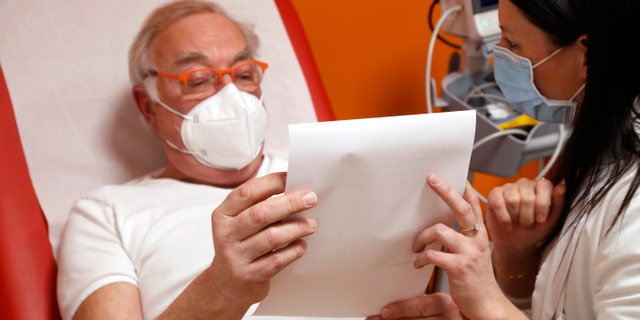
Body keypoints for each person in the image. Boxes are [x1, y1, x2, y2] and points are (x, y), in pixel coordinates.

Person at [56, 1, 460, 319]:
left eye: (245, 74)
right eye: (198, 79)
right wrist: (222, 289)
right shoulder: (106, 214)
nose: (230, 95)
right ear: (148, 107)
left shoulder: (334, 167)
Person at [368, 0, 640, 319]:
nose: (501, 55)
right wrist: (516, 254)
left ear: (586, 55)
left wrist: (485, 299)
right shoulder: (602, 143)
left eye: (512, 42)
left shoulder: (633, 206)